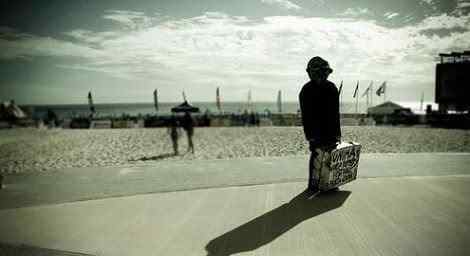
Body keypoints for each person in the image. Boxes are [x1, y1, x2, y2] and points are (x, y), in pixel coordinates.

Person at [299, 56, 341, 193]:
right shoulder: (306, 90)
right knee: (317, 157)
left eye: (323, 72)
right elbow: (306, 116)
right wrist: (309, 134)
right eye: (317, 72)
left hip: (330, 130)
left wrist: (337, 132)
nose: (320, 75)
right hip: (315, 132)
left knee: (329, 156)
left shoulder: (331, 88)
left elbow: (335, 113)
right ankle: (314, 184)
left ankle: (328, 183)